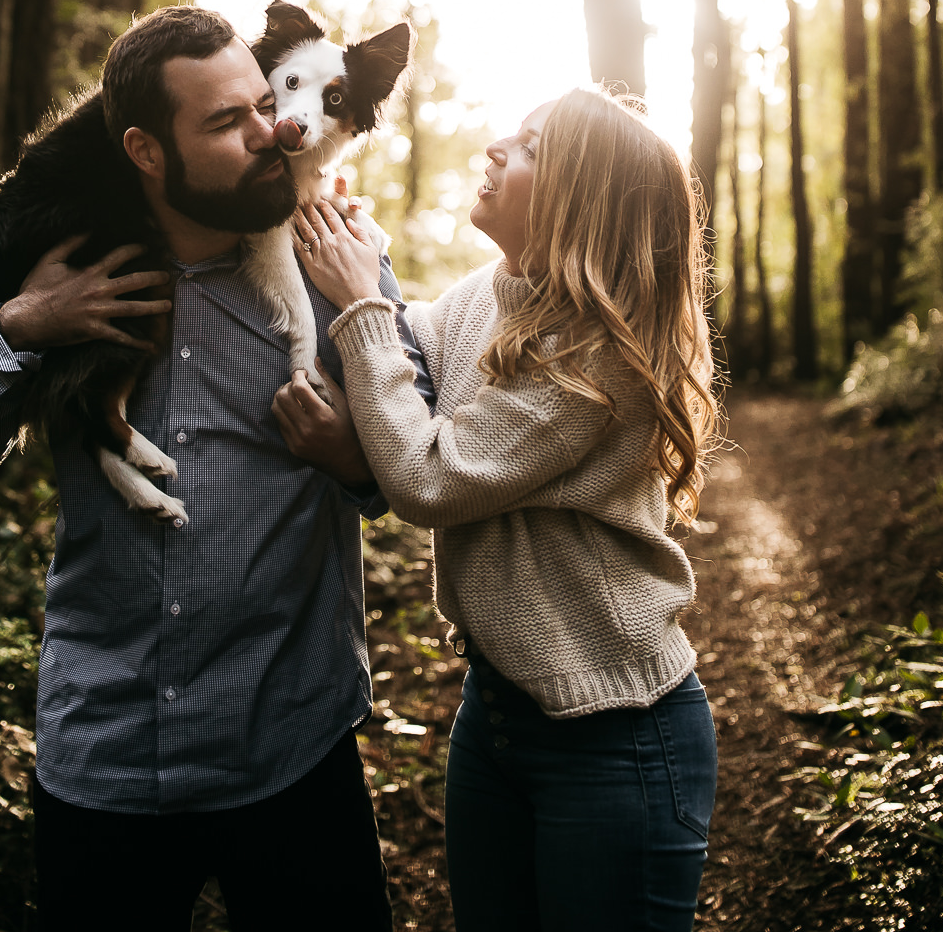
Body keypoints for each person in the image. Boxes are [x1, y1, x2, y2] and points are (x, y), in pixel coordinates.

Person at [0, 5, 434, 932]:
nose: (269, 132)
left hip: (290, 745)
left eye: (262, 104)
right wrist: (21, 327)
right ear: (146, 152)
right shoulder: (73, 272)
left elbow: (411, 464)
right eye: (226, 122)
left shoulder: (341, 266)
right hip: (106, 754)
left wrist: (350, 457)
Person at [274, 87, 720, 932]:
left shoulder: (598, 354)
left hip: (617, 738)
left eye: (530, 147)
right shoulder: (490, 293)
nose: (494, 148)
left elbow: (431, 478)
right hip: (496, 714)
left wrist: (362, 304)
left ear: (582, 199)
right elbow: (406, 376)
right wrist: (357, 248)